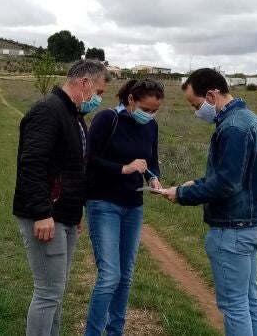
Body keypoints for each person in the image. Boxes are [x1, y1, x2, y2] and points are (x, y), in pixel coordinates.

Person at [160, 68, 257, 336]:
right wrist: (197, 184)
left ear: (211, 96)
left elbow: (227, 184)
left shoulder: (232, 128)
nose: (196, 111)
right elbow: (235, 175)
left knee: (235, 306)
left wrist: (182, 194)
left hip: (231, 229)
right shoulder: (250, 120)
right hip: (250, 225)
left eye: (195, 105)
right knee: (250, 301)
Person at [12, 60, 110, 336]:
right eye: (99, 92)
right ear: (84, 83)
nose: (99, 99)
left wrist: (74, 213)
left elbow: (73, 168)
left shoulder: (73, 115)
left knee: (56, 289)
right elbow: (32, 164)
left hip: (64, 216)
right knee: (48, 292)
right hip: (46, 216)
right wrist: (42, 213)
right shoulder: (48, 112)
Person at [84, 79, 165, 336]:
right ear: (131, 100)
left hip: (133, 207)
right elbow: (89, 159)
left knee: (125, 276)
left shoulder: (151, 126)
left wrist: (153, 178)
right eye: (146, 109)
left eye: (155, 110)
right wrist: (124, 168)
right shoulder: (108, 119)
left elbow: (151, 161)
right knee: (110, 276)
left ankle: (115, 331)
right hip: (103, 203)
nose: (149, 115)